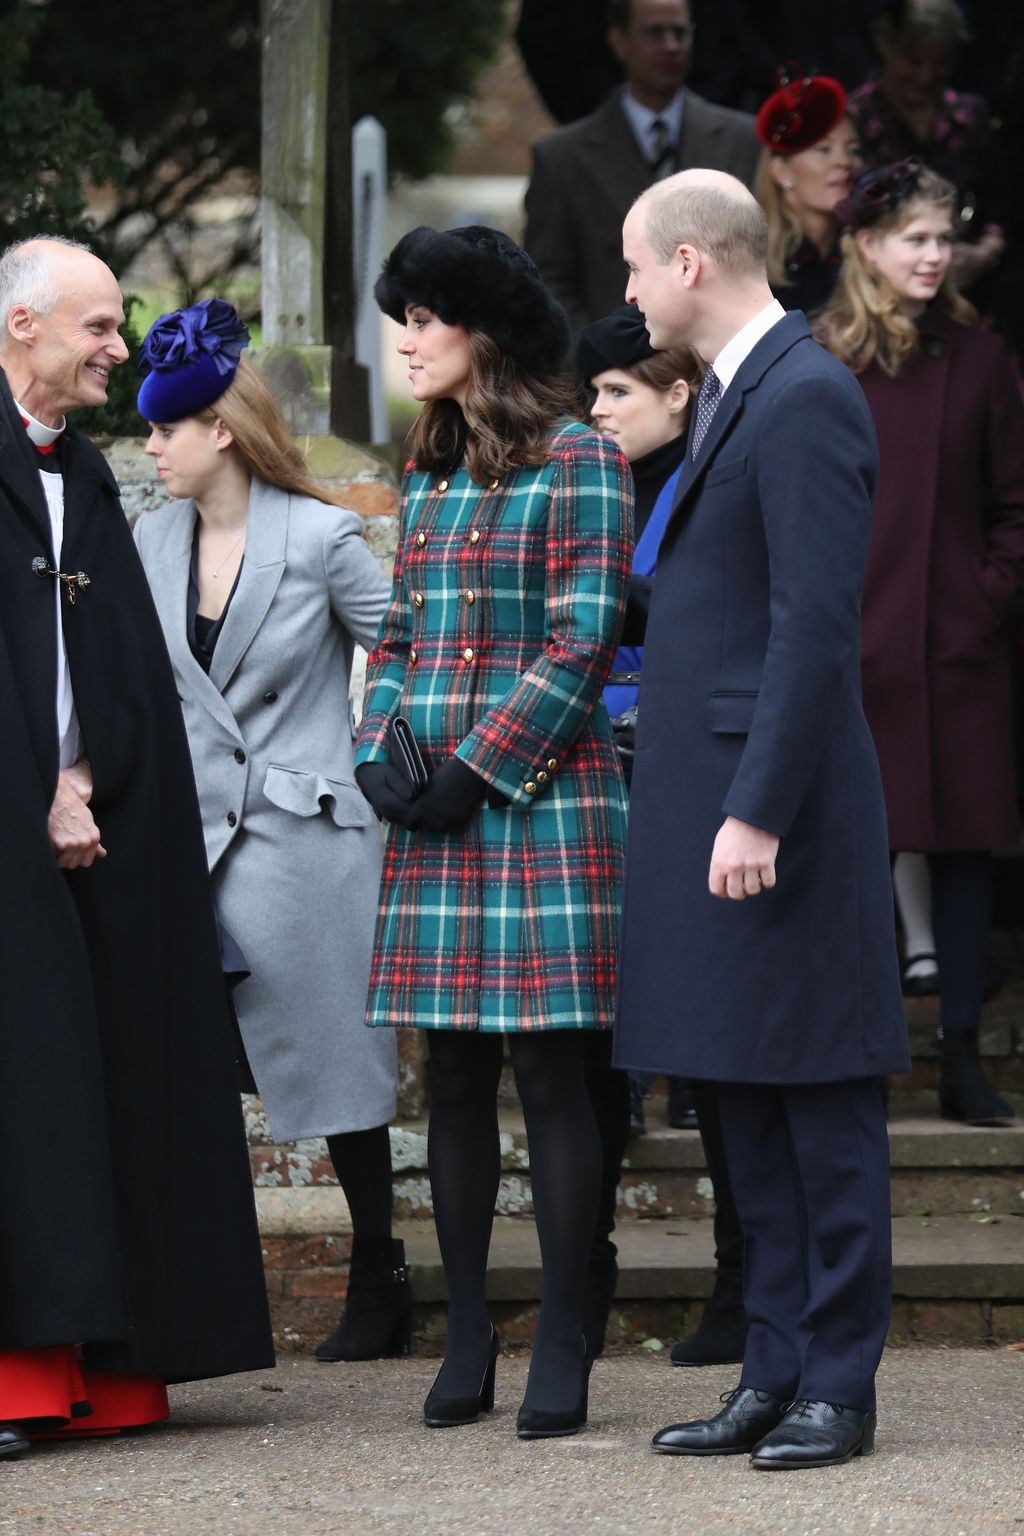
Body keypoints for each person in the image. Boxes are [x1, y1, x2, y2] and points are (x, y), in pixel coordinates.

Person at [616, 170, 909, 1468]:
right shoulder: (742, 394)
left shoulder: (803, 395)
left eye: (632, 268)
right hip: (712, 812)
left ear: (689, 261)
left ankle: (837, 1386)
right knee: (742, 1101)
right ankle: (772, 1370)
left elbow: (812, 628)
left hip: (780, 819)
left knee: (822, 1110)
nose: (624, 295)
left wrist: (755, 810)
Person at [0, 238, 274, 1460]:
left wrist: (89, 778)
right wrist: (32, 789)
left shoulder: (93, 481)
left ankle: (112, 1371)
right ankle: (19, 1373)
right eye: (100, 327)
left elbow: (116, 667)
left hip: (101, 822)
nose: (122, 348)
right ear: (21, 326)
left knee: (116, 1077)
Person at [359, 224, 631, 1439]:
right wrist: (379, 749)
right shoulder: (426, 470)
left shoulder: (581, 459)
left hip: (543, 804)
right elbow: (401, 632)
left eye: (425, 316)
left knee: (552, 1074)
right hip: (429, 804)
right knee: (452, 1074)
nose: (405, 339)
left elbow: (585, 642)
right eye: (399, 316)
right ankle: (467, 1327)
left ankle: (565, 1329)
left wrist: (479, 766)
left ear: (487, 329)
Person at [131, 302, 409, 1358]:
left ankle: (379, 1276)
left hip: (307, 844)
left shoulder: (323, 535)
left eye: (165, 430)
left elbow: (410, 650)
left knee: (341, 1077)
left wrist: (372, 759)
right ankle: (196, 1297)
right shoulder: (147, 541)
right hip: (184, 848)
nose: (151, 449)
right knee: (189, 1080)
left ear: (221, 430)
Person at [816, 159, 1024, 1126]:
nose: (935, 255)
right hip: (851, 641)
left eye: (945, 238)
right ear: (866, 245)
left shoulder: (983, 358)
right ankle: (857, 1055)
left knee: (969, 849)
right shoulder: (822, 359)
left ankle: (961, 1059)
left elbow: (1016, 502)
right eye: (916, 239)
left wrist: (988, 598)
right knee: (855, 847)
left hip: (957, 646)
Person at [576, 306, 746, 1369]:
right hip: (596, 770)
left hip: (686, 778)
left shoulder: (710, 481)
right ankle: (584, 1276)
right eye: (589, 395)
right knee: (604, 1048)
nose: (594, 413)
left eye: (614, 394)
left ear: (677, 395)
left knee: (717, 1052)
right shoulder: (598, 484)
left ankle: (742, 1280)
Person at [523, 0, 759, 336]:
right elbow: (548, 284)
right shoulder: (562, 159)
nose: (670, 46)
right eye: (654, 33)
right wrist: (598, 361)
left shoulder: (743, 141)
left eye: (680, 33)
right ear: (619, 41)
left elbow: (762, 264)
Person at [847, 0, 1005, 298]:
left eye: (940, 62)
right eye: (913, 60)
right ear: (886, 47)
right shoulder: (854, 120)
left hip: (969, 291)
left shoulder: (970, 116)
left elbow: (999, 205)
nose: (925, 75)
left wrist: (984, 252)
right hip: (876, 293)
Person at [754, 67, 861, 313]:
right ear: (781, 171)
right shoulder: (752, 264)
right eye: (823, 149)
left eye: (853, 150)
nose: (844, 162)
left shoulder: (867, 253)